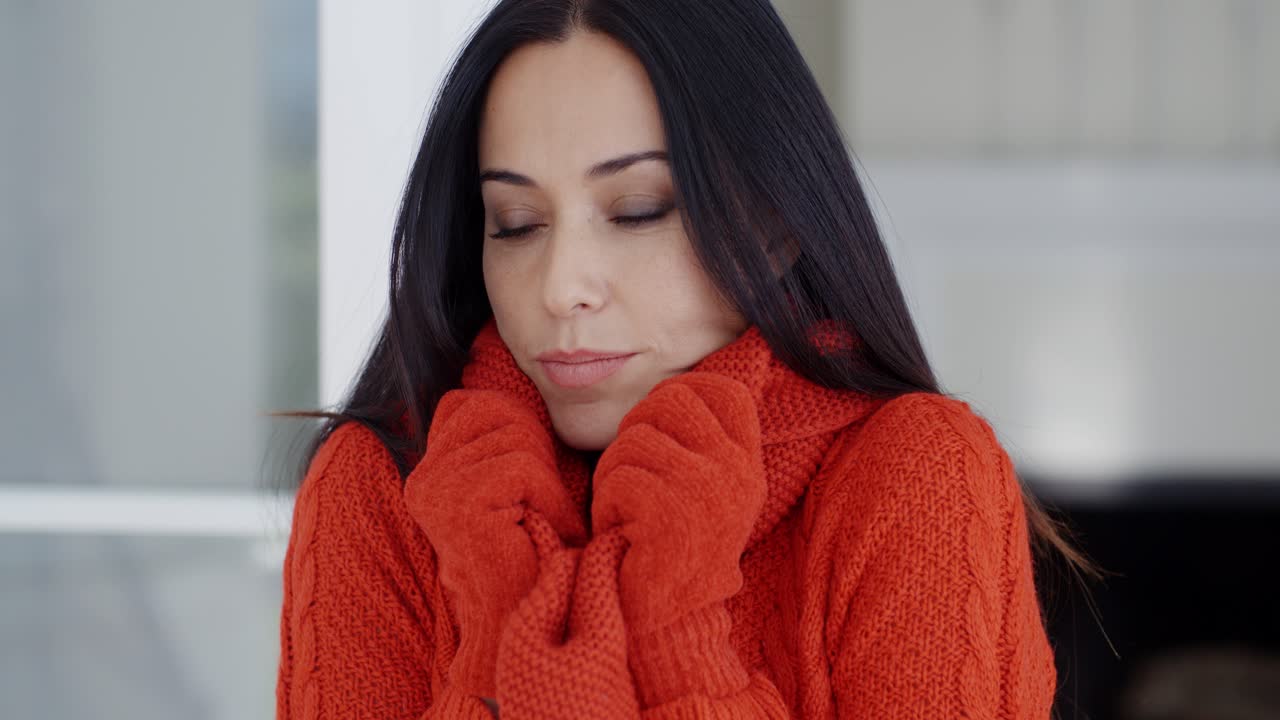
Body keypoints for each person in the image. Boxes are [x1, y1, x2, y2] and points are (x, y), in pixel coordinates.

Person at [271, 1, 1099, 718]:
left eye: (638, 210)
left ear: (776, 225)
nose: (560, 287)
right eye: (516, 223)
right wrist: (496, 620)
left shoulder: (915, 476)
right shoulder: (383, 491)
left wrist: (678, 636)